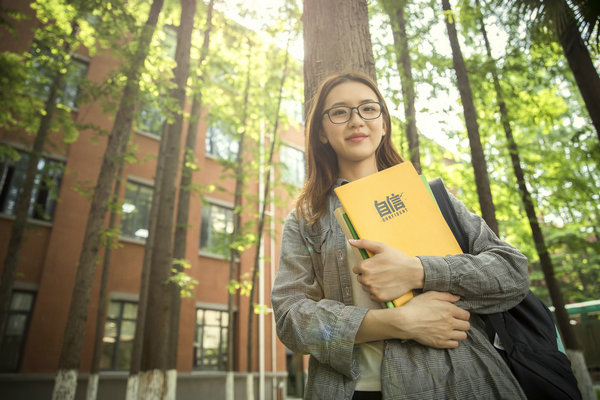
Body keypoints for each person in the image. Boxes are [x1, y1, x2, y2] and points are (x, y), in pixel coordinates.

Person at [271, 72, 530, 400]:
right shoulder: (306, 219)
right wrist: (397, 322)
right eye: (339, 112)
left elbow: (513, 272)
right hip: (350, 390)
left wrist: (418, 270)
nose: (356, 121)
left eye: (368, 109)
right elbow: (290, 316)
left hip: (460, 382)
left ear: (383, 123)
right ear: (321, 132)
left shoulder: (431, 197)